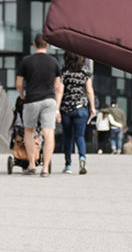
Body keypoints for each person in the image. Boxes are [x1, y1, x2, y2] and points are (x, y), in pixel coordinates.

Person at [15, 34, 62, 177]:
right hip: (49, 100)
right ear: (47, 45)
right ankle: (45, 168)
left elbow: (19, 84)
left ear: (34, 44)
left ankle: (32, 165)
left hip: (32, 100)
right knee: (49, 132)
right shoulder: (54, 61)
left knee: (29, 132)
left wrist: (22, 96)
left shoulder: (26, 61)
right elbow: (57, 85)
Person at [58, 51, 95, 174]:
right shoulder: (85, 71)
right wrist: (92, 107)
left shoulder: (64, 71)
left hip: (66, 109)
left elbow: (60, 91)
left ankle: (68, 165)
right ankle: (82, 158)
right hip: (81, 109)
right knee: (80, 136)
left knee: (68, 136)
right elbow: (89, 90)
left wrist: (57, 108)